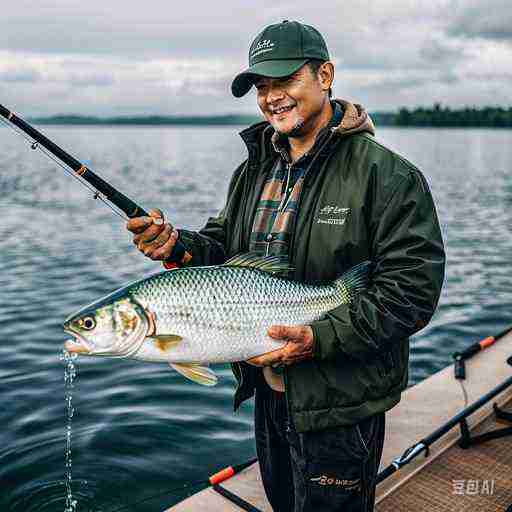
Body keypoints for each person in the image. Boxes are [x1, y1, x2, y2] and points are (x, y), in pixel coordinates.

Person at [126, 20, 445, 512]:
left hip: (340, 403)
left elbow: (412, 293)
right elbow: (225, 250)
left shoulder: (389, 175)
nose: (271, 96)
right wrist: (176, 246)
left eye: (285, 80)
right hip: (271, 398)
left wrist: (318, 338)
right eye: (262, 85)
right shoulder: (254, 168)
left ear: (325, 75)